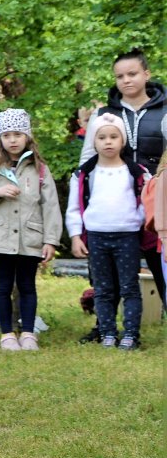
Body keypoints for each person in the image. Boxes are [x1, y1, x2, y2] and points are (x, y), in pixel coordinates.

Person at [77, 48, 164, 333]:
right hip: (114, 206)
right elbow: (87, 161)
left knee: (161, 263)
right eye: (120, 76)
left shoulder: (164, 112)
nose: (126, 80)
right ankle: (104, 327)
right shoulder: (104, 114)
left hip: (156, 202)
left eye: (132, 74)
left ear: (146, 74)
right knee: (110, 274)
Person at [0, 109, 61, 352]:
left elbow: (50, 206)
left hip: (30, 237)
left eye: (18, 134)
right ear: (0, 138)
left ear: (27, 136)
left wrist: (50, 240)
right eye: (7, 135)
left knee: (27, 285)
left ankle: (29, 334)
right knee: (3, 285)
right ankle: (7, 334)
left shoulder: (40, 169)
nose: (12, 140)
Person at [69, 114, 149, 350]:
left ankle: (131, 334)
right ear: (93, 141)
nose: (108, 142)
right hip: (96, 237)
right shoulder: (84, 174)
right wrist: (75, 236)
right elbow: (74, 208)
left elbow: (146, 202)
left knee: (129, 287)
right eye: (102, 137)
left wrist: (136, 220)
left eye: (114, 137)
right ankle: (107, 333)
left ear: (122, 141)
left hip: (127, 237)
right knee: (103, 289)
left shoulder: (136, 172)